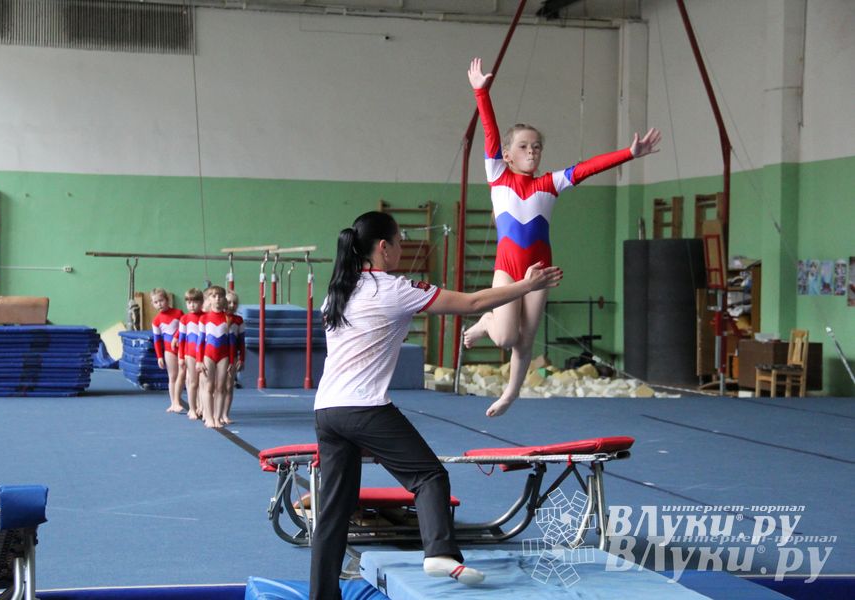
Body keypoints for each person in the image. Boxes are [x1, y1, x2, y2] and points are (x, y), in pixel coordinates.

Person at [309, 211, 563, 600]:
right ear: (383, 248)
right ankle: (439, 553)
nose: (401, 248)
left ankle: (321, 597)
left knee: (333, 512)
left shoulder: (337, 293)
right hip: (365, 408)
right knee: (429, 477)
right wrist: (527, 285)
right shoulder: (394, 289)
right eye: (399, 241)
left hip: (327, 411)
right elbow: (472, 301)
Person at [464, 57, 662, 417]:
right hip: (508, 269)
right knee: (506, 337)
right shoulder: (497, 175)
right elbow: (490, 132)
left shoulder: (550, 183)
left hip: (540, 271)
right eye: (523, 146)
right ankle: (486, 323)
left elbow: (588, 167)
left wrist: (630, 154)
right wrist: (481, 92)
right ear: (507, 155)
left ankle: (510, 393)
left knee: (525, 339)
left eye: (537, 146)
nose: (531, 151)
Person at [196, 286, 233, 428]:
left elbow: (231, 343)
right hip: (208, 356)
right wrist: (199, 360)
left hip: (224, 356)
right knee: (209, 386)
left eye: (220, 296)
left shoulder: (228, 318)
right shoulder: (204, 318)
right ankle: (209, 417)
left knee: (221, 387)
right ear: (209, 299)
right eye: (214, 296)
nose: (217, 299)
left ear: (224, 299)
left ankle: (217, 418)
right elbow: (200, 342)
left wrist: (231, 360)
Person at [150, 288, 185, 414]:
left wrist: (176, 336)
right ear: (153, 304)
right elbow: (157, 340)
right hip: (169, 350)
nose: (159, 304)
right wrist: (159, 356)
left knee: (184, 375)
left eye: (161, 300)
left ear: (167, 300)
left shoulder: (178, 313)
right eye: (156, 302)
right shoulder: (156, 320)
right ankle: (174, 403)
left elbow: (184, 327)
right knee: (172, 376)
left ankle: (182, 401)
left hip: (182, 348)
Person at [177, 288, 205, 420]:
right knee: (193, 382)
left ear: (201, 303)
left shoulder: (205, 317)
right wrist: (181, 357)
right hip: (190, 354)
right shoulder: (184, 319)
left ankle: (201, 406)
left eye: (195, 302)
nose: (192, 305)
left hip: (204, 354)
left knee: (203, 383)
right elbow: (182, 340)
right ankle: (192, 408)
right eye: (189, 303)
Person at [223, 290, 246, 425]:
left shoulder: (239, 320)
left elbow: (241, 342)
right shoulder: (219, 318)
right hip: (218, 356)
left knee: (229, 386)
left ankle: (225, 414)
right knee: (217, 386)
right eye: (229, 302)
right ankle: (215, 412)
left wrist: (242, 358)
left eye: (235, 303)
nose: (232, 305)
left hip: (232, 357)